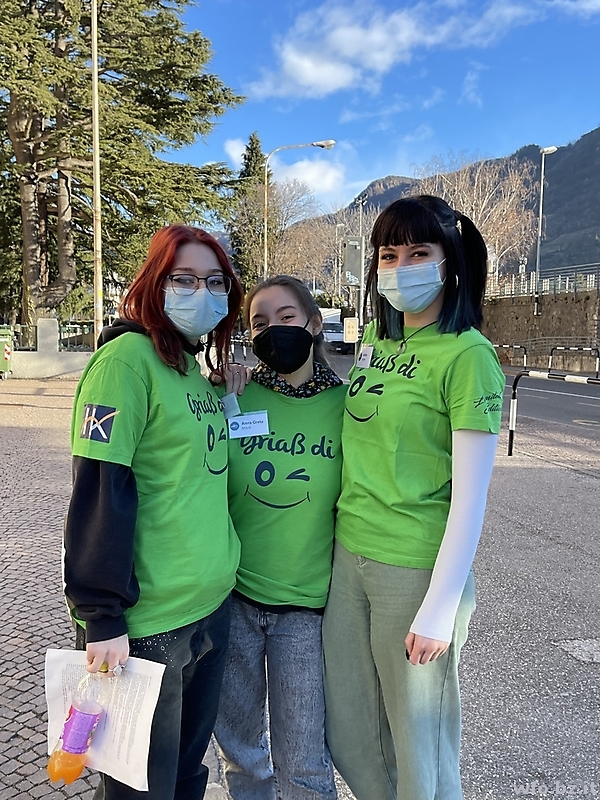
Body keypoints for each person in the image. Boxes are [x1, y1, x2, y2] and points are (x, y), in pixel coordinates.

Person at [322, 196, 505, 800]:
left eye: (419, 253)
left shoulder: (469, 356)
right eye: (388, 255)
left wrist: (440, 607)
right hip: (349, 558)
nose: (401, 268)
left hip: (415, 569)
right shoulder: (381, 337)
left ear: (450, 260)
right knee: (352, 733)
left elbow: (472, 498)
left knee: (419, 745)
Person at [63, 225, 245, 800]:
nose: (202, 293)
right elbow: (99, 487)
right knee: (139, 788)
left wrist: (228, 394)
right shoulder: (125, 362)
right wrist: (102, 616)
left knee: (188, 777)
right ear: (154, 282)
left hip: (210, 610)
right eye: (184, 279)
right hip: (148, 625)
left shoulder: (190, 369)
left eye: (215, 282)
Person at [214, 275, 346, 800]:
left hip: (305, 612)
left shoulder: (348, 407)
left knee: (305, 764)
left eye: (286, 317)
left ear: (314, 324)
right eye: (259, 323)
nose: (274, 330)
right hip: (233, 602)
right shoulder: (235, 396)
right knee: (241, 754)